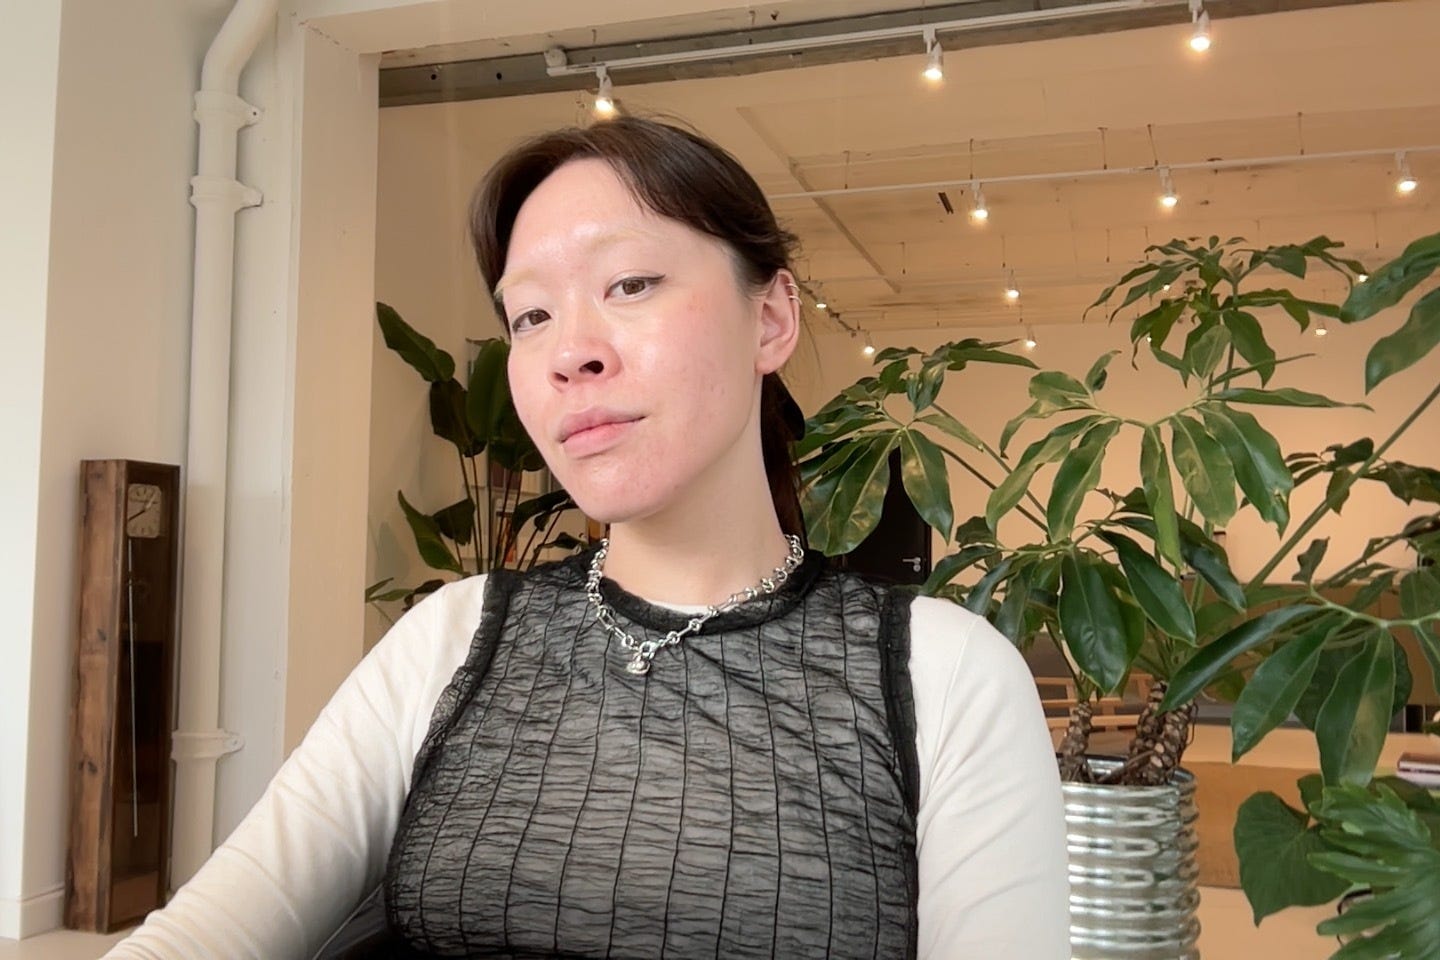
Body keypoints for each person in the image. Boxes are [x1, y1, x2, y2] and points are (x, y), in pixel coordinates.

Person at [103, 116, 1068, 959]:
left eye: (632, 283)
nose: (571, 351)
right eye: (530, 314)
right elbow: (212, 931)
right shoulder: (452, 638)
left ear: (770, 318)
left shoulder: (941, 675)